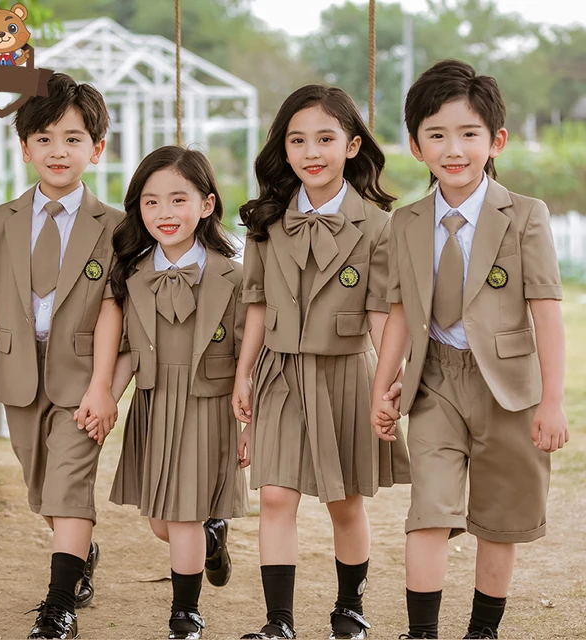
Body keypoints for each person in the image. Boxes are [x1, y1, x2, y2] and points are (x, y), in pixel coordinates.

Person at [370, 59, 569, 640]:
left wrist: (551, 401)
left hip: (510, 389)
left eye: (468, 134)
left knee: (498, 521)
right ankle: (421, 633)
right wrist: (384, 387)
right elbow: (401, 312)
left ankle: (483, 631)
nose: (452, 149)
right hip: (434, 384)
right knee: (427, 513)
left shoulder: (525, 215)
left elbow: (546, 312)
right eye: (436, 135)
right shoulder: (405, 223)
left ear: (495, 140)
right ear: (415, 145)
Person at [233, 85, 410, 640]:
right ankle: (278, 622)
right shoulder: (267, 222)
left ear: (353, 146)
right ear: (283, 151)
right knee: (277, 495)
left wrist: (389, 381)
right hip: (279, 372)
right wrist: (244, 372)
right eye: (298, 140)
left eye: (326, 139)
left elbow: (383, 313)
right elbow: (256, 303)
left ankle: (348, 609)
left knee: (344, 501)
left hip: (346, 376)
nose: (312, 152)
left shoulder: (380, 225)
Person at [0, 73, 123, 639]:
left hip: (81, 379)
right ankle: (81, 553)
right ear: (24, 147)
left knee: (70, 486)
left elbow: (112, 311)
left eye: (73, 138)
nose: (58, 150)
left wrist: (104, 386)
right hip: (18, 376)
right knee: (41, 491)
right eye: (45, 138)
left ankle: (58, 606)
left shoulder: (117, 226)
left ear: (96, 149)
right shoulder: (0, 221)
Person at [108, 145, 249, 640]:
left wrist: (248, 421)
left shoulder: (233, 273)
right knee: (163, 524)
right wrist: (108, 396)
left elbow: (245, 352)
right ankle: (213, 537)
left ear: (206, 205)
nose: (164, 213)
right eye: (150, 202)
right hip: (154, 403)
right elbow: (126, 349)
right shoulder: (132, 272)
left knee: (182, 515)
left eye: (177, 200)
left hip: (210, 405)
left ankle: (185, 614)